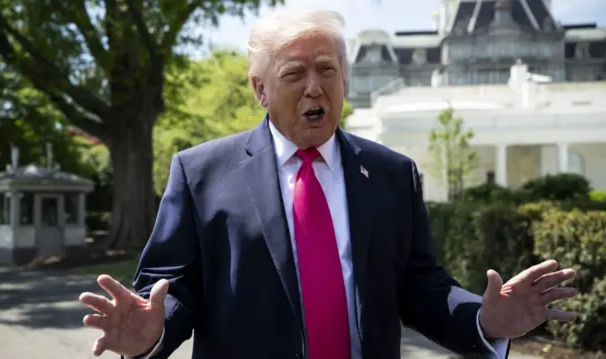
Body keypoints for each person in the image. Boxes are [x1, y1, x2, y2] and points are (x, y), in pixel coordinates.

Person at [79, 9, 578, 359]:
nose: (314, 87)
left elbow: (420, 286)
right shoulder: (201, 172)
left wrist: (484, 320)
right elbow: (172, 291)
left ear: (344, 80)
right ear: (260, 89)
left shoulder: (391, 173)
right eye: (294, 73)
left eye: (327, 70)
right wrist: (150, 332)